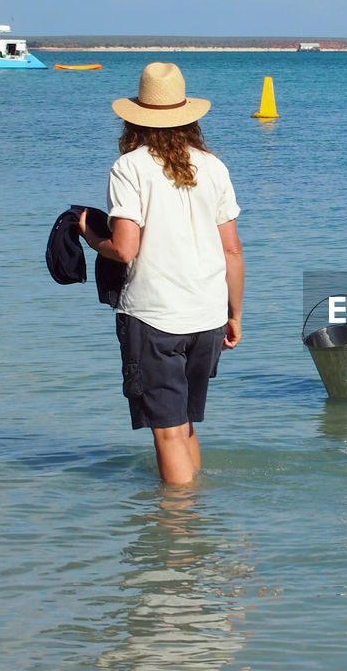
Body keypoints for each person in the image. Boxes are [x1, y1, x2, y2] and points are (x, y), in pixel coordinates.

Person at [79, 62, 244, 485]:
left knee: (166, 432)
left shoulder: (129, 167)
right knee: (185, 424)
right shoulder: (213, 166)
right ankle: (197, 518)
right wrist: (234, 314)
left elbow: (125, 248)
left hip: (154, 316)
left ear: (135, 117)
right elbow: (233, 250)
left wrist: (90, 236)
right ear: (188, 116)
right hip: (207, 314)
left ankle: (178, 533)